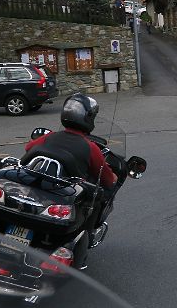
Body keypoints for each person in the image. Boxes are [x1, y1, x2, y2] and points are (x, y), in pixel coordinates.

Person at [21, 93, 118, 224]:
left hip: (37, 187)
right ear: (88, 118)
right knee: (101, 196)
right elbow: (107, 179)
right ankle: (87, 233)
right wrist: (113, 177)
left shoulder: (50, 136)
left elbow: (29, 148)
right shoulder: (90, 147)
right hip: (65, 196)